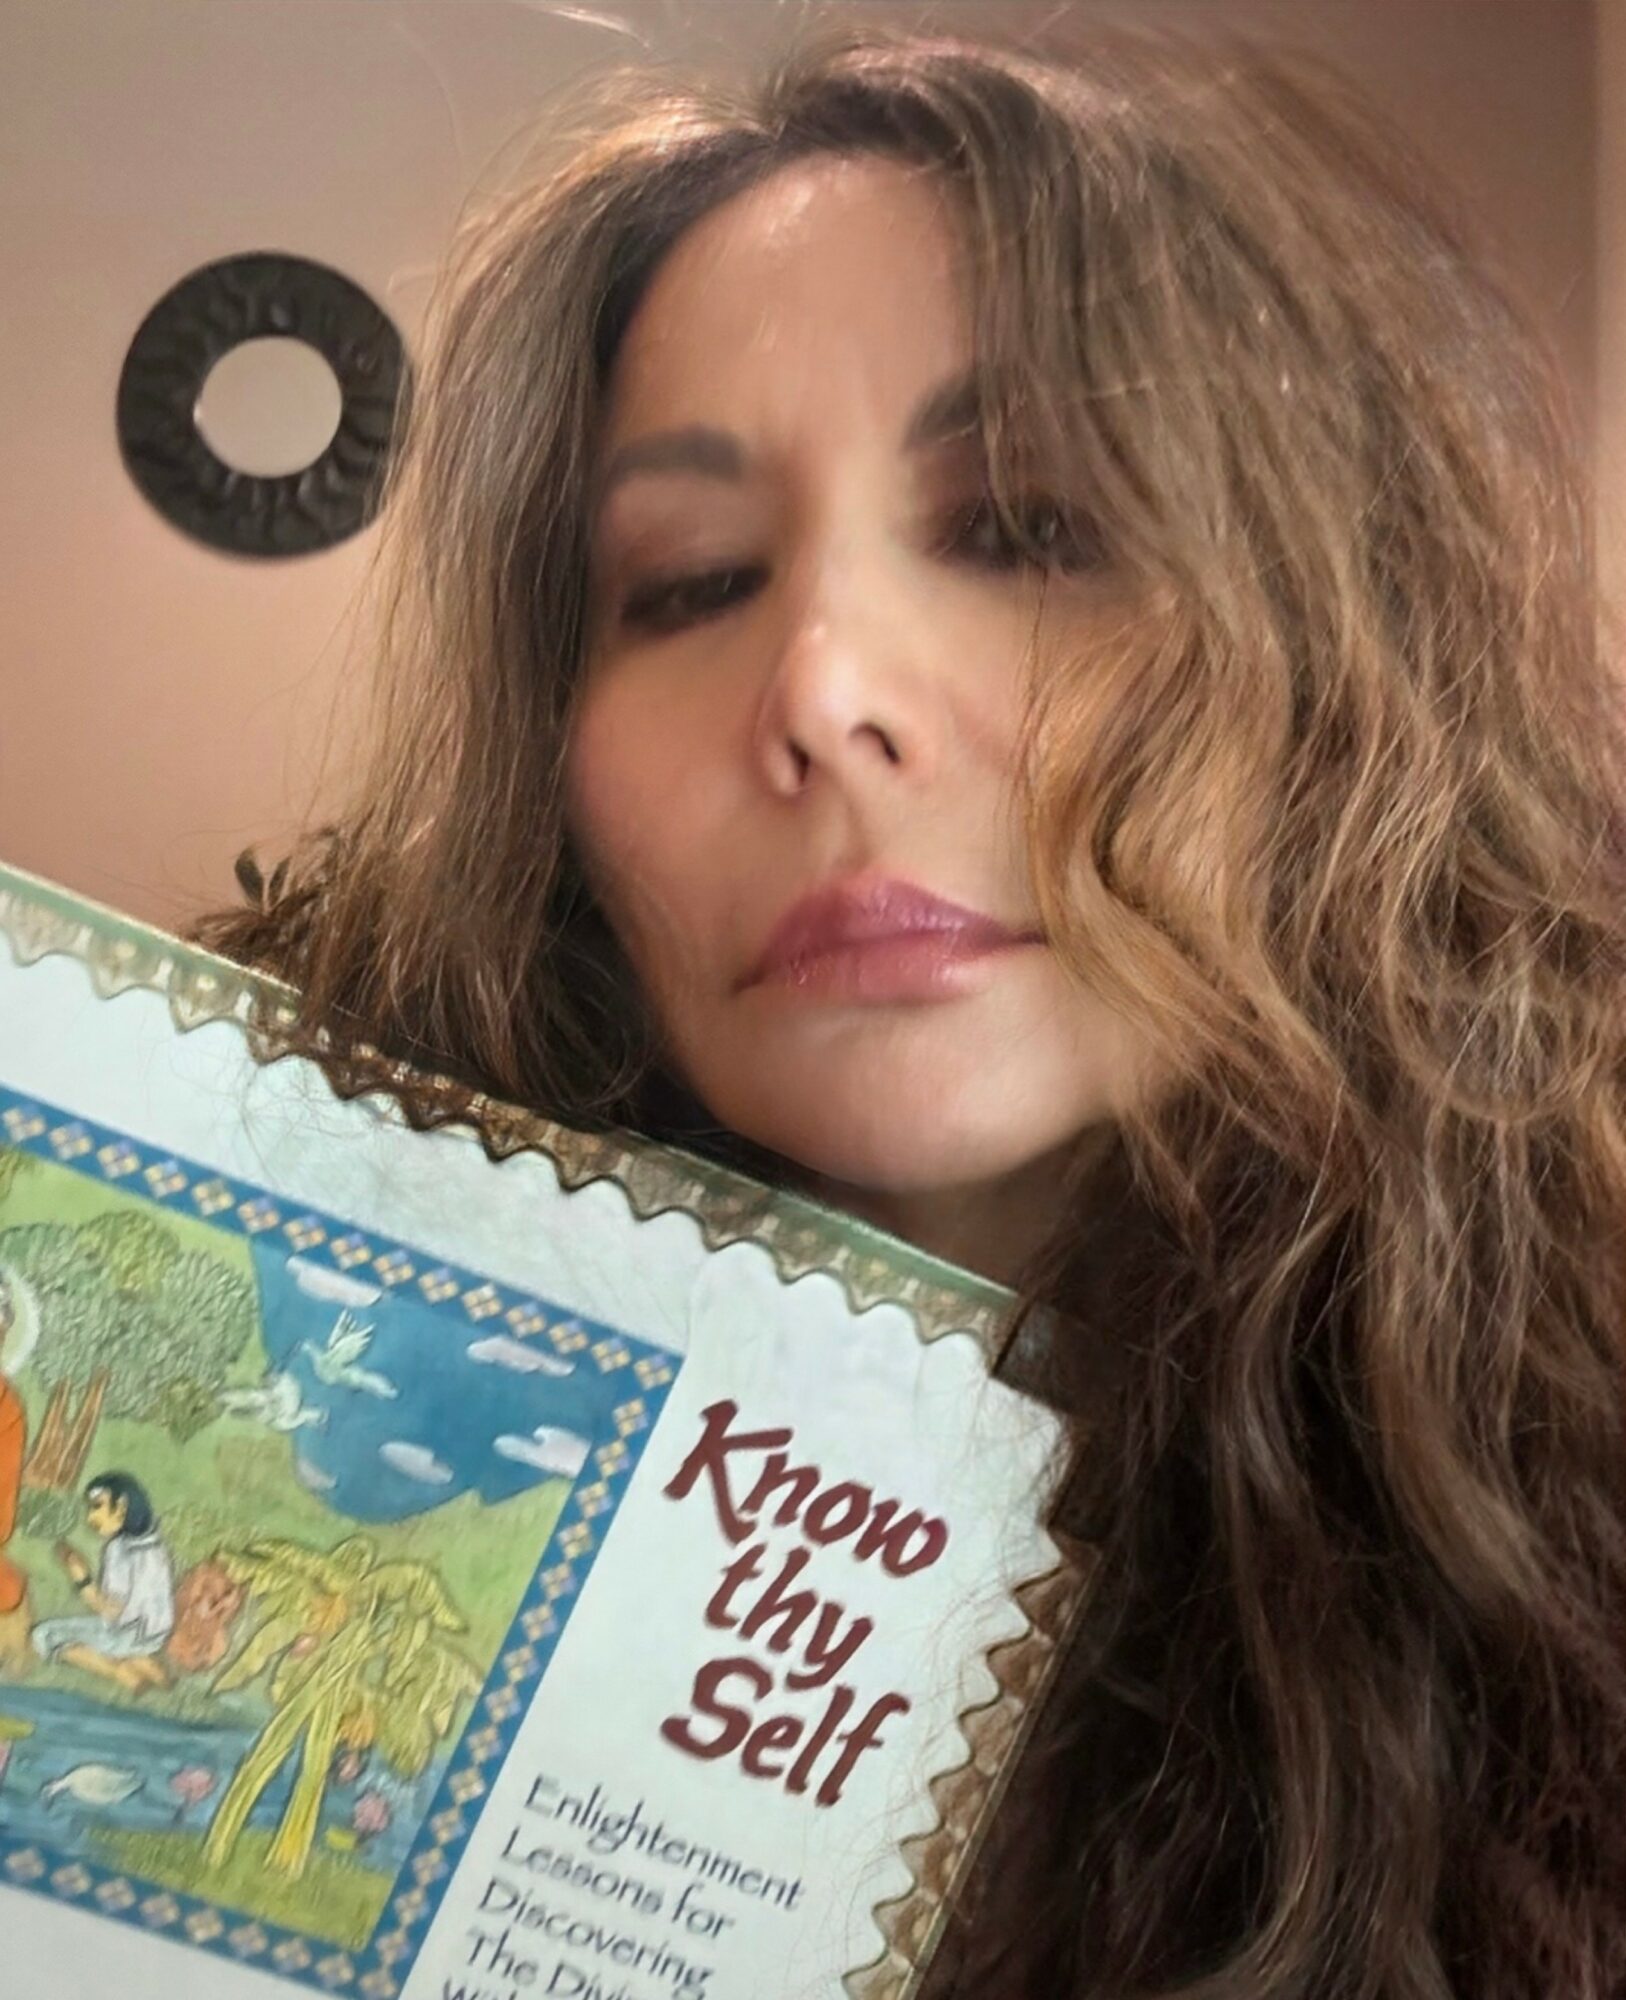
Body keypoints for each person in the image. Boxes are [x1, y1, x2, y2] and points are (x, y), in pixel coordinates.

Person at [194, 23, 1626, 1997]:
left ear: (1350, 651)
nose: (820, 687)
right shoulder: (350, 1403)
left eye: (1030, 526)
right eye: (689, 583)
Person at [32, 1471, 175, 1693]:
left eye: (97, 1506)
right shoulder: (152, 1545)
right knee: (90, 1631)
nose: (91, 1517)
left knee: (44, 1635)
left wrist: (80, 1576)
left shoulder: (121, 1550)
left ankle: (122, 1673)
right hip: (153, 1634)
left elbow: (111, 1610)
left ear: (122, 1507)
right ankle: (146, 1665)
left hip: (127, 1633)